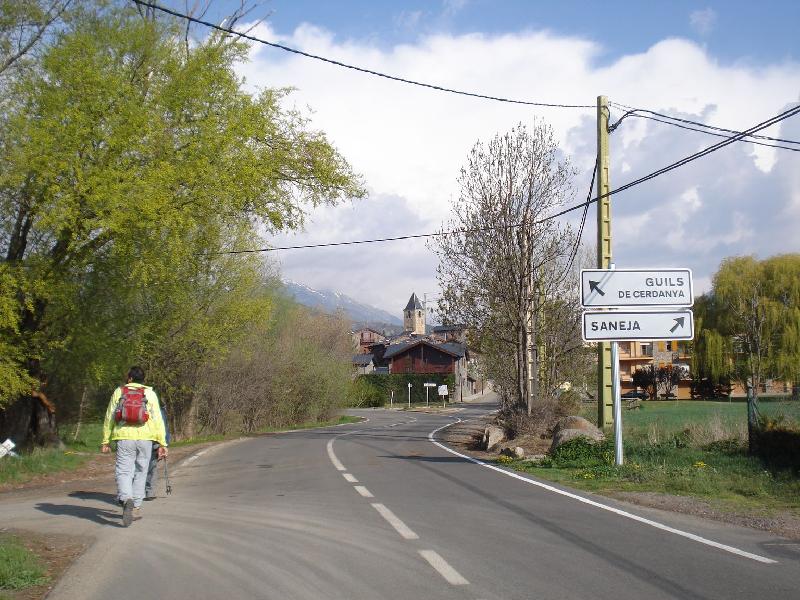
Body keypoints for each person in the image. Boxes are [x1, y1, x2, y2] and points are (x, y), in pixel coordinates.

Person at [101, 366, 168, 527]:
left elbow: (110, 415)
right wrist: (162, 443)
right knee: (141, 471)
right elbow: (158, 420)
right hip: (146, 439)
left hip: (124, 437)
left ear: (130, 378)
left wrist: (105, 440)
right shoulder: (150, 394)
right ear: (143, 380)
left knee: (124, 471)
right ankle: (136, 506)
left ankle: (126, 498)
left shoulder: (120, 392)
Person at [144, 403, 170, 501]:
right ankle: (150, 492)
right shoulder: (159, 410)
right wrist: (165, 444)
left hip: (136, 440)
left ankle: (136, 492)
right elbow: (164, 428)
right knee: (152, 466)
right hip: (154, 440)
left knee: (137, 466)